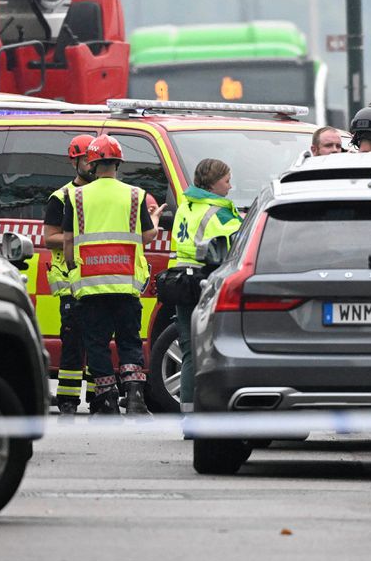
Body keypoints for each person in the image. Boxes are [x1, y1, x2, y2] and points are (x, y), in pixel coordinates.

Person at [63, 135, 161, 417]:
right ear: (118, 162)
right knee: (130, 341)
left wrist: (73, 267)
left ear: (92, 164)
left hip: (90, 285)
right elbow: (145, 236)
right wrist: (154, 222)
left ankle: (106, 400)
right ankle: (134, 397)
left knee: (96, 343)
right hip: (126, 283)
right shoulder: (135, 195)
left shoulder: (76, 196)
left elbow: (68, 240)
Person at [170, 159, 242, 413]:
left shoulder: (187, 204)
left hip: (181, 281)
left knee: (189, 352)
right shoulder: (218, 211)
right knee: (213, 353)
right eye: (226, 181)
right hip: (204, 283)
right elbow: (242, 241)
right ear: (212, 184)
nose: (230, 187)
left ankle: (188, 416)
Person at [43, 134, 97, 417]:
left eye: (96, 159)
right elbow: (48, 237)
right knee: (73, 343)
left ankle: (100, 398)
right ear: (74, 161)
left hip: (101, 279)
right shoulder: (61, 198)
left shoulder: (105, 196)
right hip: (71, 283)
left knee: (99, 342)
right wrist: (77, 239)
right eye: (87, 159)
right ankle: (67, 401)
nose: (92, 164)